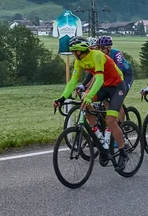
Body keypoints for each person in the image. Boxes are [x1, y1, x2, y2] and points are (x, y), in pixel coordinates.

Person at [54, 36, 128, 169]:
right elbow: (72, 81)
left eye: (74, 51)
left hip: (117, 87)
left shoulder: (97, 56)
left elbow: (98, 79)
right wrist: (62, 98)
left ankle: (123, 153)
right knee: (84, 104)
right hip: (105, 87)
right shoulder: (79, 61)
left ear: (80, 51)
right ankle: (99, 134)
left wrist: (90, 95)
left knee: (111, 120)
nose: (74, 54)